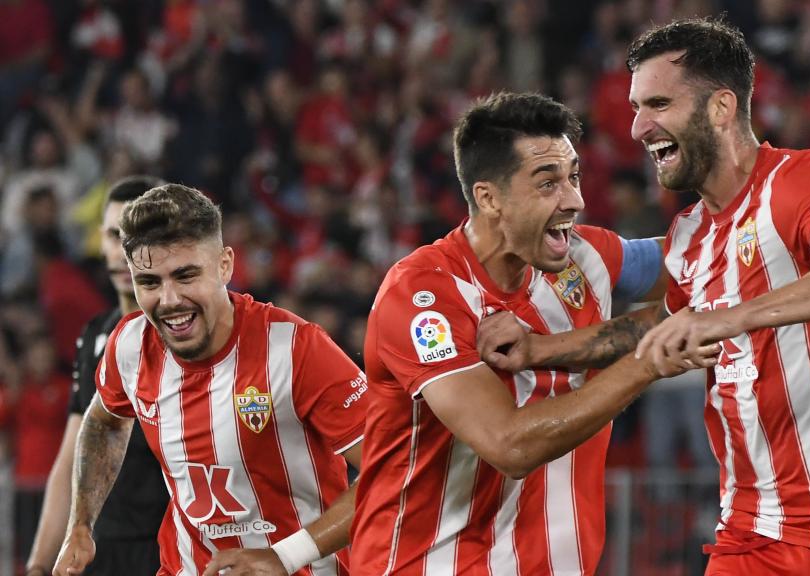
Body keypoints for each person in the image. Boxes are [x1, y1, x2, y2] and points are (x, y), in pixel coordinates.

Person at [480, 18, 810, 575]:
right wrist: (540, 349)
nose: (638, 126)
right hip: (752, 528)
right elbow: (657, 327)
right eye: (637, 107)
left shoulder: (796, 180)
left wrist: (727, 319)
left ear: (720, 108)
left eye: (658, 103)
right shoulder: (691, 233)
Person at [348, 92, 720, 575]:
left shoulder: (587, 260)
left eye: (574, 176)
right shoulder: (423, 297)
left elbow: (709, 262)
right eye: (548, 184)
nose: (575, 200)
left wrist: (779, 210)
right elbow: (510, 446)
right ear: (488, 198)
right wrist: (648, 361)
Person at [54, 184, 367, 576]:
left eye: (185, 276)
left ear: (224, 265)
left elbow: (392, 467)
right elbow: (103, 422)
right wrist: (81, 524)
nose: (169, 300)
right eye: (149, 282)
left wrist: (285, 556)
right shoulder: (130, 345)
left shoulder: (294, 349)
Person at [25, 176, 169, 576]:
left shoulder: (185, 335)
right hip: (101, 551)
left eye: (137, 235)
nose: (124, 252)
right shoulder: (94, 337)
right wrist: (38, 565)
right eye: (113, 235)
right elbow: (71, 455)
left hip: (172, 549)